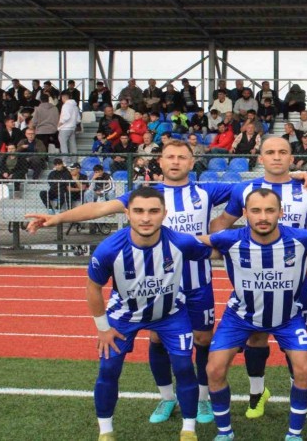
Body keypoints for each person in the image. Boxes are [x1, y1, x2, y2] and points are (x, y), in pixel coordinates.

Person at [25, 142, 258, 426]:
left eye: (182, 157)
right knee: (157, 337)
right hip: (156, 283)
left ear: (191, 161)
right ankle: (167, 397)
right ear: (160, 161)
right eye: (170, 157)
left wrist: (291, 176)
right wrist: (57, 218)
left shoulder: (206, 191)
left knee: (202, 340)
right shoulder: (146, 196)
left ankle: (202, 398)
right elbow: (100, 207)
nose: (175, 161)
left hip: (196, 281)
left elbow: (256, 187)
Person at [85, 186, 216, 441]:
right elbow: (93, 287)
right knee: (108, 369)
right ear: (127, 214)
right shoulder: (109, 249)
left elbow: (218, 249)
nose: (146, 218)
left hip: (171, 314)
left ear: (164, 214)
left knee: (184, 366)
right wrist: (103, 328)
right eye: (139, 211)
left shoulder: (180, 242)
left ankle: (189, 430)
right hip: (125, 314)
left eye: (153, 211)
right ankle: (106, 432)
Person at [200, 188, 307, 441]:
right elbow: (190, 243)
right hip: (240, 317)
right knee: (214, 369)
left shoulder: (303, 239)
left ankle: (294, 434)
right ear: (245, 213)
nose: (263, 217)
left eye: (269, 210)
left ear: (281, 212)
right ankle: (224, 432)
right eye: (255, 211)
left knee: (304, 369)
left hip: (288, 317)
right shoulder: (229, 239)